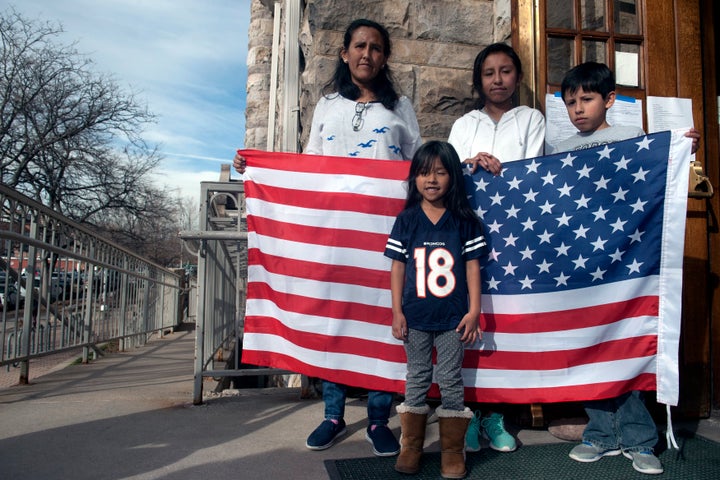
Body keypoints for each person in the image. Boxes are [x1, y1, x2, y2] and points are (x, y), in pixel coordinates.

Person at [234, 18, 422, 457]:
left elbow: (418, 166)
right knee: (332, 319)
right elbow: (309, 166)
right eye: (359, 46)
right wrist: (258, 169)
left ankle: (378, 419)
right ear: (344, 53)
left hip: (385, 232)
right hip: (334, 234)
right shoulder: (327, 105)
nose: (367, 54)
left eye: (376, 48)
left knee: (382, 320)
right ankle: (333, 415)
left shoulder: (401, 107)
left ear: (385, 57)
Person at [552, 61, 699, 476]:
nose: (578, 108)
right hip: (579, 264)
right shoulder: (557, 147)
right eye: (570, 102)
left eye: (587, 99)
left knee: (626, 344)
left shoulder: (633, 138)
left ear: (610, 99)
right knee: (592, 346)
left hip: (625, 263)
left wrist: (683, 147)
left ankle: (638, 438)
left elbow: (657, 177)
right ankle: (599, 434)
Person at [447, 42, 546, 453]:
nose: (498, 80)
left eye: (506, 71)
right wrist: (470, 162)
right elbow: (447, 173)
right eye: (489, 73)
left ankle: (498, 416)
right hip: (468, 235)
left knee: (504, 322)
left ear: (517, 78)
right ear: (479, 80)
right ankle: (468, 413)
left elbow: (535, 172)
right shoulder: (464, 123)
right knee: (469, 319)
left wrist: (500, 171)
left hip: (514, 239)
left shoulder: (531, 119)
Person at [384, 140, 486, 478]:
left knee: (450, 379)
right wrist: (397, 311)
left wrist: (474, 311)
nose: (432, 179)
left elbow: (473, 267)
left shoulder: (464, 220)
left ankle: (452, 451)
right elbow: (397, 266)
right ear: (414, 178)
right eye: (425, 172)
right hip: (415, 317)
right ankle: (411, 444)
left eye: (440, 172)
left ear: (453, 177)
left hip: (453, 319)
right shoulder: (407, 219)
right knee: (417, 378)